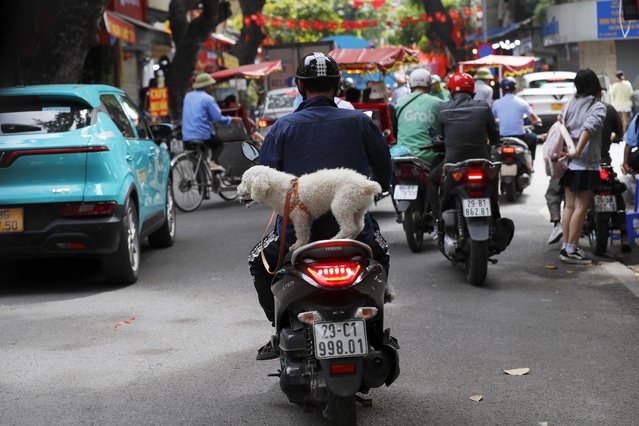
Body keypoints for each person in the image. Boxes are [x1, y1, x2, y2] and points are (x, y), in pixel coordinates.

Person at [248, 52, 392, 360]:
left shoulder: (282, 128)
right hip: (354, 235)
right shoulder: (360, 122)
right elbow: (383, 169)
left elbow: (267, 175)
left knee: (257, 264)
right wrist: (383, 185)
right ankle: (375, 332)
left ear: (300, 86)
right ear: (338, 85)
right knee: (381, 256)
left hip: (296, 236)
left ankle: (279, 330)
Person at [427, 71, 500, 217]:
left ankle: (436, 217)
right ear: (472, 91)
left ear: (451, 91)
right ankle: (496, 214)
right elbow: (494, 138)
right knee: (494, 183)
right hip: (482, 162)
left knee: (431, 180)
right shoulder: (484, 107)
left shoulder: (443, 109)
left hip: (453, 162)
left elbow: (440, 135)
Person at [557, 69, 607, 264]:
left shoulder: (570, 103)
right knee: (580, 207)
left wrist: (571, 153)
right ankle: (571, 248)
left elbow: (561, 125)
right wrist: (577, 151)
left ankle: (565, 246)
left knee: (569, 206)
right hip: (585, 163)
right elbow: (589, 128)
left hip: (569, 163)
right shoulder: (597, 106)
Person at [182, 73, 242, 171]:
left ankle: (201, 180)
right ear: (208, 86)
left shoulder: (188, 96)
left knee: (197, 160)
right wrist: (232, 119)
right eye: (211, 85)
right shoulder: (208, 99)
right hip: (202, 136)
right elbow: (218, 118)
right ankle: (213, 162)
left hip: (187, 136)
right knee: (218, 144)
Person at [392, 68, 442, 167]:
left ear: (411, 84)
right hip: (430, 157)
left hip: (402, 156)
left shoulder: (399, 102)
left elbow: (395, 130)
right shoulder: (438, 103)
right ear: (429, 84)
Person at [492, 76, 542, 161]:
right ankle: (531, 164)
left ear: (503, 90)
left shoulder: (497, 103)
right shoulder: (522, 102)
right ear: (515, 88)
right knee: (533, 138)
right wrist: (538, 121)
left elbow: (492, 119)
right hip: (520, 137)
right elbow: (534, 119)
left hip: (502, 137)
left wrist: (499, 121)